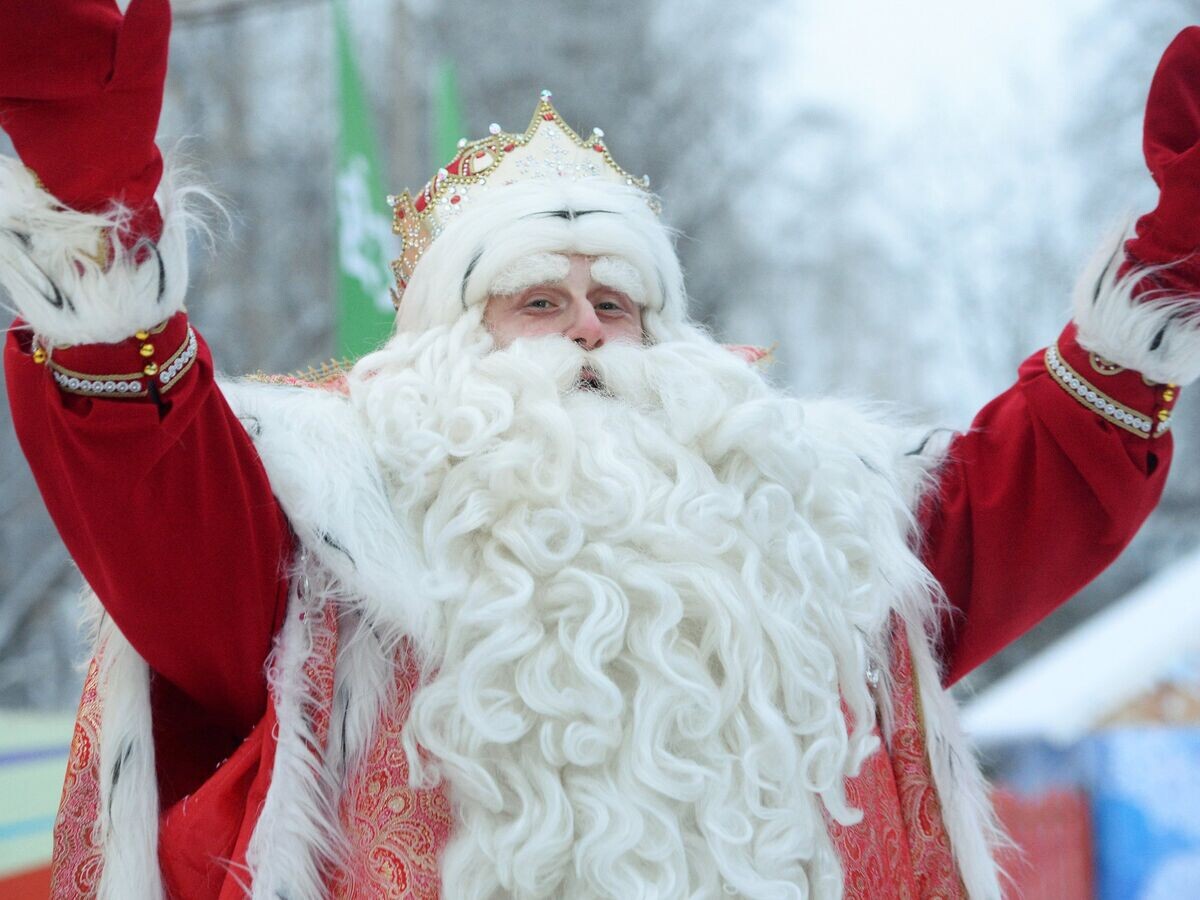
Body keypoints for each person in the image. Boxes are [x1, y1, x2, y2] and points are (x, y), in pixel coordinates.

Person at [3, 1, 1198, 897]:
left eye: (618, 302)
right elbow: (147, 480)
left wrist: (1166, 285)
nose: (586, 325)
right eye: (535, 300)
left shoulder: (805, 528)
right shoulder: (326, 531)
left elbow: (1029, 492)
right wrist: (90, 226)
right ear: (443, 348)